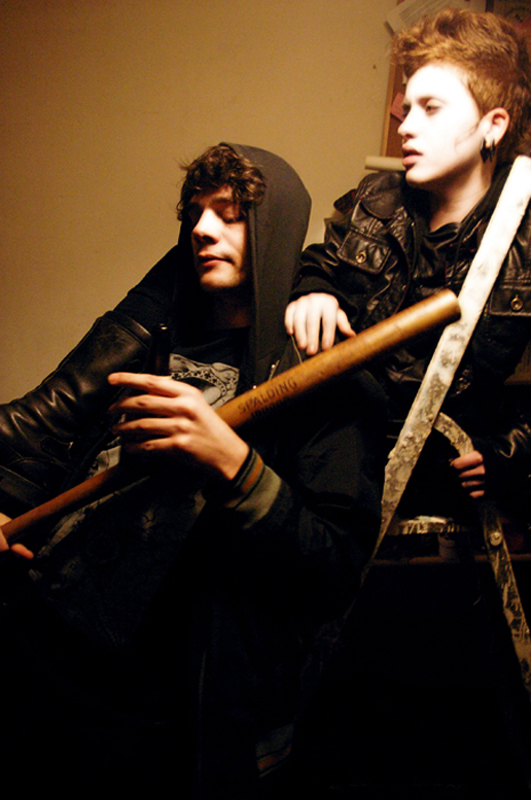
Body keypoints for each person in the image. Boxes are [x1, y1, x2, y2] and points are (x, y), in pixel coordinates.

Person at [0, 143, 385, 797]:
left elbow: (332, 570)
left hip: (161, 703)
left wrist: (234, 464)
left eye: (230, 214)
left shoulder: (325, 380)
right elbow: (48, 438)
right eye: (196, 213)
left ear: (271, 230)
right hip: (40, 643)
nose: (203, 228)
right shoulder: (150, 340)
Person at [285, 9, 531, 529]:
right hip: (343, 468)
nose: (407, 124)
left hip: (448, 484)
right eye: (407, 107)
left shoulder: (525, 235)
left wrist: (511, 451)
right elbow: (319, 262)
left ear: (493, 125)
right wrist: (313, 290)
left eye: (431, 108)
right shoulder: (372, 201)